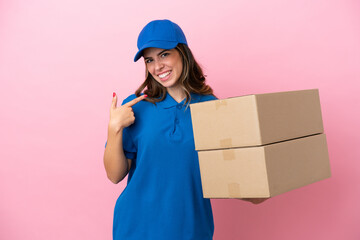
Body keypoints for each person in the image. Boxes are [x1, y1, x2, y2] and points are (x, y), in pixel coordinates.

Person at [103, 19, 266, 240]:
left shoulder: (212, 108)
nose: (157, 66)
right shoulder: (136, 106)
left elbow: (228, 172)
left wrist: (259, 187)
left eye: (164, 54)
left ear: (182, 52)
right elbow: (114, 175)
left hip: (191, 230)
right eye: (149, 60)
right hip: (136, 228)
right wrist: (114, 129)